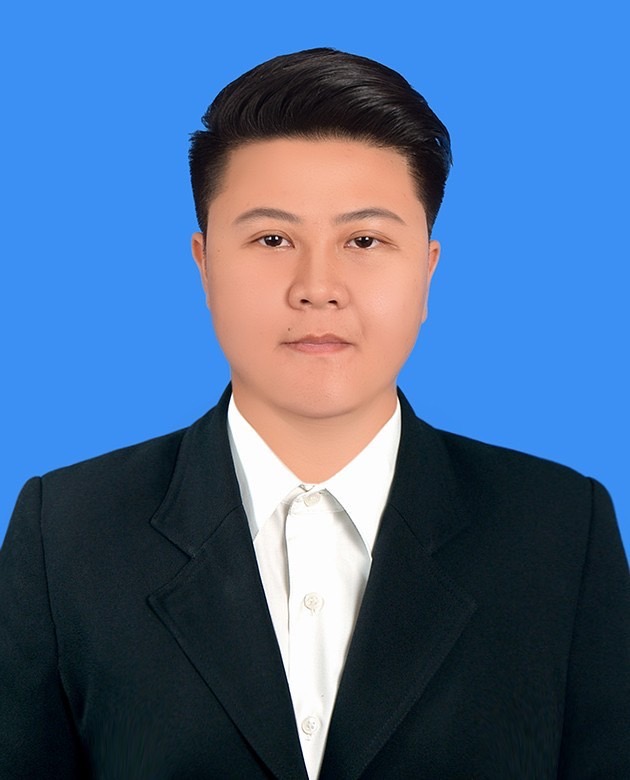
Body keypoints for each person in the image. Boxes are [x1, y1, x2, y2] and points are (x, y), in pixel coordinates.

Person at [1, 47, 628, 779]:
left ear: (426, 269)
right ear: (205, 264)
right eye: (272, 239)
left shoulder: (559, 530)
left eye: (364, 240)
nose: (317, 286)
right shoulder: (66, 532)